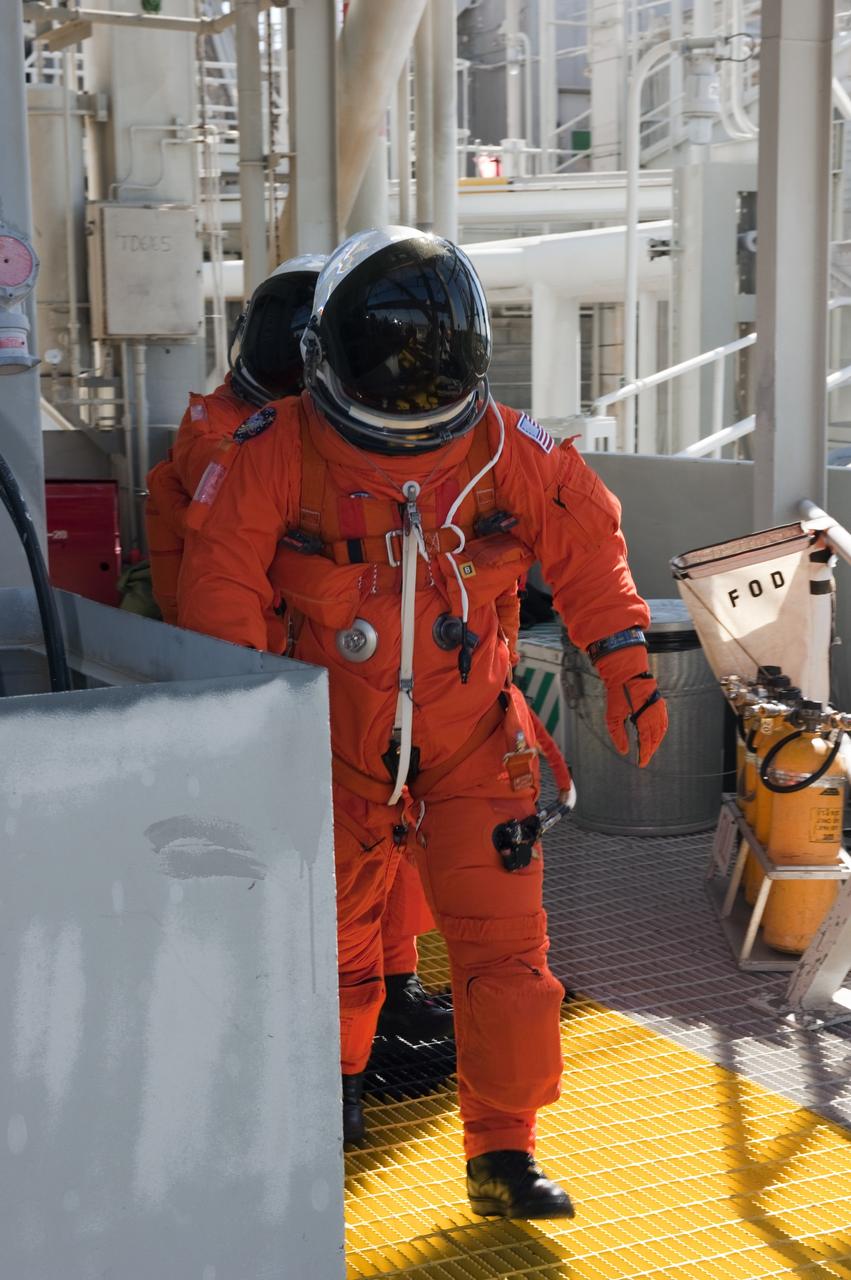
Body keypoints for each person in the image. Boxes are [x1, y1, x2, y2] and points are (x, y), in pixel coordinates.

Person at [177, 227, 668, 1219]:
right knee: (335, 951)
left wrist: (622, 657)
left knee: (506, 955)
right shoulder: (272, 455)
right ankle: (334, 1098)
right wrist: (237, 733)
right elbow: (220, 586)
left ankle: (502, 1150)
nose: (409, 399)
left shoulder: (507, 451)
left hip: (474, 743)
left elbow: (587, 547)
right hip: (321, 751)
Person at [147, 252, 450, 1044]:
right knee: (322, 860)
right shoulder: (228, 437)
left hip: (345, 677)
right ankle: (322, 1012)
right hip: (276, 684)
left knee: (385, 839)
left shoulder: (284, 436)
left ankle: (392, 987)